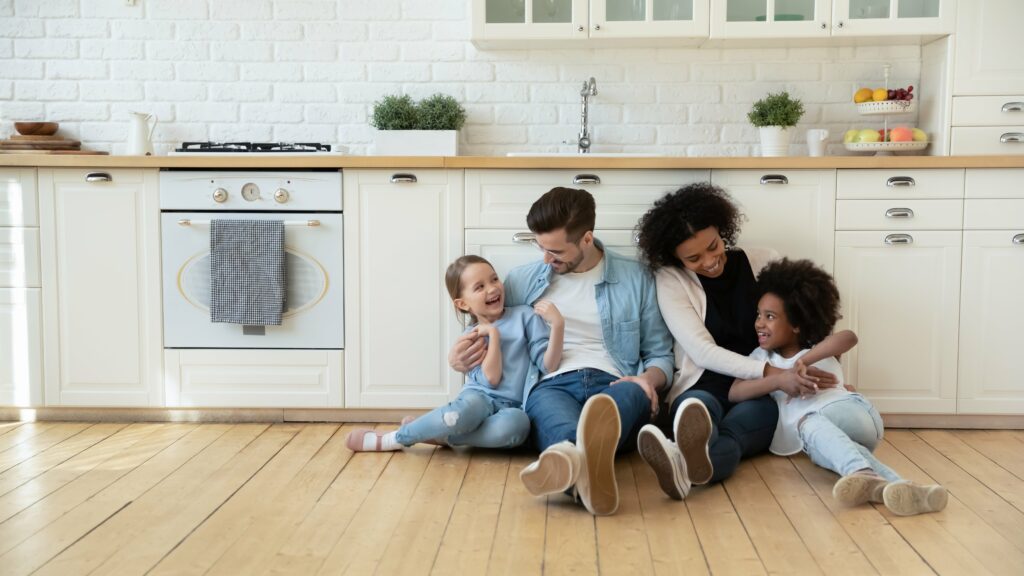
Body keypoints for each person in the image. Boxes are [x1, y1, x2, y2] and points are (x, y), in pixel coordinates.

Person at [449, 187, 674, 516]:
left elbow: (660, 354)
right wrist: (459, 361)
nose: (545, 259)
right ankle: (588, 470)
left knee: (627, 396)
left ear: (586, 239)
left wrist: (647, 381)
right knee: (561, 427)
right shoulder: (522, 281)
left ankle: (573, 473)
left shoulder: (635, 278)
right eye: (540, 247)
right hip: (550, 384)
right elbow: (485, 327)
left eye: (555, 251)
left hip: (616, 382)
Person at [633, 182, 839, 500]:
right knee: (696, 411)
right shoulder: (671, 279)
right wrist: (776, 375)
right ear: (675, 258)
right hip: (704, 383)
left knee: (736, 435)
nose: (709, 261)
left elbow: (805, 319)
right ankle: (690, 451)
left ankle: (681, 464)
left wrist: (838, 383)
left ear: (722, 229)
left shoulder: (762, 260)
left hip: (760, 391)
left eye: (713, 246)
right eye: (693, 258)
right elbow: (702, 352)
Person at [729, 258, 948, 516]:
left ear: (797, 324)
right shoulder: (761, 358)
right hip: (823, 440)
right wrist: (779, 379)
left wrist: (802, 362)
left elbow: (849, 337)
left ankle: (861, 473)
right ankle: (910, 492)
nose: (759, 323)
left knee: (809, 424)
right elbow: (735, 392)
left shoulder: (817, 348)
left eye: (770, 316)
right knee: (837, 450)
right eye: (759, 314)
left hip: (851, 413)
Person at [346, 255, 564, 452]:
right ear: (463, 304)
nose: (492, 288)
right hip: (478, 398)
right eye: (479, 287)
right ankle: (393, 439)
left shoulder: (525, 316)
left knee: (517, 427)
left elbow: (548, 365)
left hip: (514, 407)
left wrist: (558, 326)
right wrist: (494, 335)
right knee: (458, 415)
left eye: (494, 279)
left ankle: (440, 437)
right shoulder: (470, 336)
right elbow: (491, 379)